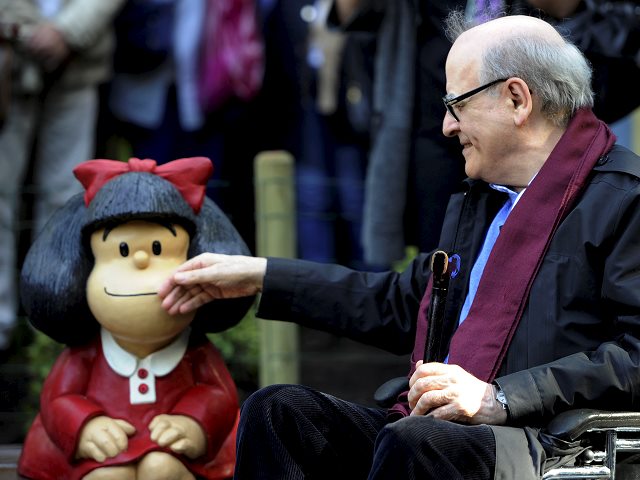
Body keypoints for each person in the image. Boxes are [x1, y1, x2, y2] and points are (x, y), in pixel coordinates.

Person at [159, 12, 640, 480]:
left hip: (547, 445)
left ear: (517, 99)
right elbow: (399, 304)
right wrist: (261, 276)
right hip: (436, 431)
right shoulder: (481, 201)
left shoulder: (623, 199)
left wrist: (503, 397)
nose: (447, 127)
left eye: (456, 104)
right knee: (278, 413)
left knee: (414, 441)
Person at [18, 157, 253, 479]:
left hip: (176, 453)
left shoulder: (196, 352)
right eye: (123, 251)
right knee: (106, 477)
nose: (142, 261)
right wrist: (85, 424)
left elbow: (218, 395)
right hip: (101, 456)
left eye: (159, 248)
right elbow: (59, 398)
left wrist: (193, 422)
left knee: (163, 469)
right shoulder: (86, 353)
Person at [0, 0, 125, 351]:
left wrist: (68, 32)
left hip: (79, 61)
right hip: (8, 59)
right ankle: (2, 330)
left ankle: (56, 326)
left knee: (67, 196)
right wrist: (22, 30)